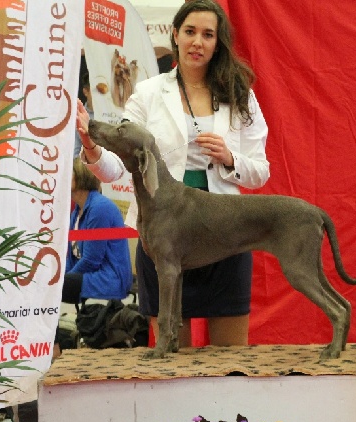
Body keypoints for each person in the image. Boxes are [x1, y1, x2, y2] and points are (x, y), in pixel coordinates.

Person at [75, 0, 269, 347]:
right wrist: (91, 148)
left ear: (218, 41)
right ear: (175, 34)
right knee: (171, 361)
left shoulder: (241, 95)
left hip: (225, 232)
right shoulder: (148, 93)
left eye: (208, 34)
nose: (198, 42)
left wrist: (230, 158)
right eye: (190, 31)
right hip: (162, 234)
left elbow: (260, 173)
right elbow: (116, 166)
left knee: (231, 362)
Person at [63, 157, 133, 307]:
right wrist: (62, 277)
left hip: (109, 279)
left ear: (82, 177)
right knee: (49, 282)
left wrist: (65, 280)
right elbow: (71, 257)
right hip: (92, 275)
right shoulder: (77, 211)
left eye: (69, 173)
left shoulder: (100, 208)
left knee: (52, 287)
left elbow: (91, 260)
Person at [73, 70, 93, 158]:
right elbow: (75, 153)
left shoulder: (113, 115)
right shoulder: (77, 116)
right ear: (86, 91)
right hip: (85, 168)